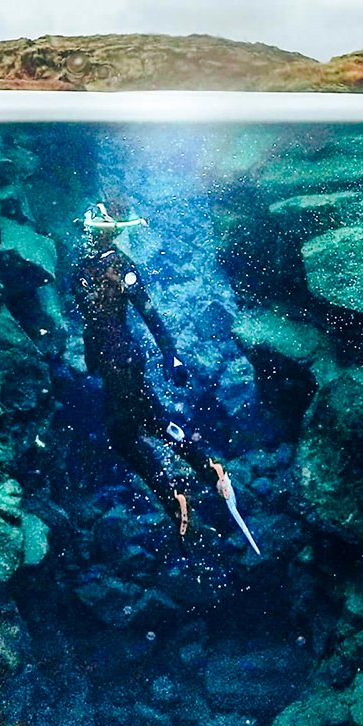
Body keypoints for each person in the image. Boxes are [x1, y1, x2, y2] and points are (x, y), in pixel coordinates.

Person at [71, 194, 259, 554]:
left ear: (108, 231)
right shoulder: (83, 268)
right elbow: (91, 324)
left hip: (123, 362)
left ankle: (177, 492)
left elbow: (149, 313)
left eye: (99, 225)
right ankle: (206, 472)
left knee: (128, 435)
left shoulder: (119, 266)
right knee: (150, 425)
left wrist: (171, 355)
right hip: (113, 365)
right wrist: (91, 359)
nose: (92, 230)